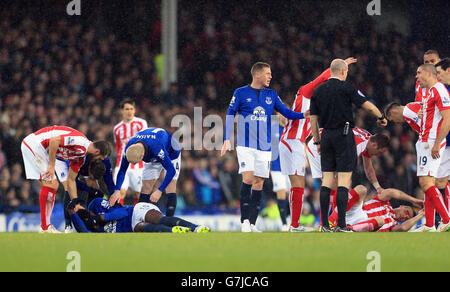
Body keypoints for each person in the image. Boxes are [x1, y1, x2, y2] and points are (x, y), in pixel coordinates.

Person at [220, 62, 309, 233]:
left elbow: (286, 112)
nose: (270, 76)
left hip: (264, 146)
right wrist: (226, 138)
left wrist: (302, 115)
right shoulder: (240, 92)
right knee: (248, 178)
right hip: (245, 144)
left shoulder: (272, 95)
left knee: (259, 182)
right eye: (268, 73)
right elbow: (231, 114)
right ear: (258, 75)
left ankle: (253, 224)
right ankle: (244, 221)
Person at [309, 59, 388, 232]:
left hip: (326, 135)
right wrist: (381, 117)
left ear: (331, 71)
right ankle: (341, 225)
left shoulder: (319, 90)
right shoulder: (347, 87)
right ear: (344, 71)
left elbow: (313, 119)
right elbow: (366, 105)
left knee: (327, 181)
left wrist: (317, 141)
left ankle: (324, 225)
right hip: (344, 135)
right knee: (344, 181)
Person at [279, 57, 357, 232]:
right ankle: (294, 225)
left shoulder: (314, 100)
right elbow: (321, 78)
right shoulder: (305, 92)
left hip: (293, 143)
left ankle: (295, 225)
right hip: (292, 142)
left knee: (298, 185)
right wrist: (340, 66)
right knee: (298, 185)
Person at [20, 126, 111, 233]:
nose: (98, 161)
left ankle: (45, 226)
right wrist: (51, 166)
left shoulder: (81, 158)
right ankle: (45, 227)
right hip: (36, 144)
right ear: (97, 151)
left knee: (53, 185)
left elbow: (71, 181)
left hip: (41, 149)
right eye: (99, 158)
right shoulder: (81, 142)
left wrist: (76, 202)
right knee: (51, 184)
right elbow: (54, 140)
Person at [109, 127, 181, 218]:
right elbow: (122, 169)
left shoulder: (156, 148)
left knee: (170, 185)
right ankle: (139, 219)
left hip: (171, 152)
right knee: (146, 187)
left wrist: (159, 190)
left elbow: (171, 171)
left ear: (142, 155)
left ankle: (170, 220)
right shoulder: (129, 147)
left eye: (135, 162)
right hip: (152, 155)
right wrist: (117, 190)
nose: (134, 165)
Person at [413, 64, 450, 232]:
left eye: (419, 73)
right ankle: (429, 225)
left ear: (429, 73)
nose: (417, 76)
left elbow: (448, 118)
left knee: (426, 182)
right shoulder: (430, 93)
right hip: (425, 142)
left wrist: (437, 143)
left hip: (431, 142)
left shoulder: (439, 90)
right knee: (428, 182)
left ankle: (446, 219)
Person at [68, 198, 210, 233]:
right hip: (132, 226)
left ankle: (195, 227)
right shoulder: (90, 228)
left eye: (77, 206)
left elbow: (122, 212)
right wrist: (73, 215)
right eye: (74, 210)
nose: (78, 209)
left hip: (135, 211)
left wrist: (100, 218)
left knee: (159, 219)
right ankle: (175, 231)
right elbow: (83, 231)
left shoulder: (96, 204)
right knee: (143, 227)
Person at [328, 185, 424, 232]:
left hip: (362, 226)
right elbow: (390, 192)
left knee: (380, 221)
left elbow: (403, 227)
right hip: (356, 211)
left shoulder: (392, 225)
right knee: (362, 189)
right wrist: (413, 200)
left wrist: (421, 215)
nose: (405, 216)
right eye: (406, 212)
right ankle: (332, 220)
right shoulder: (384, 202)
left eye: (407, 218)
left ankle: (345, 230)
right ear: (401, 206)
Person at [63, 155, 115, 233]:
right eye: (91, 177)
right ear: (89, 170)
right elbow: (72, 181)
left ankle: (90, 221)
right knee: (68, 189)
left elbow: (110, 182)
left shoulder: (105, 163)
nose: (92, 179)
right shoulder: (81, 160)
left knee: (96, 191)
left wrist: (113, 196)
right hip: (65, 164)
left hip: (83, 177)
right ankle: (68, 225)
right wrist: (86, 189)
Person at [113, 99, 148, 206]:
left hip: (138, 165)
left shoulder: (141, 123)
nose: (129, 111)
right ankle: (120, 218)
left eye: (131, 109)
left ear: (135, 110)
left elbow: (145, 142)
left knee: (138, 194)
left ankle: (136, 218)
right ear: (122, 111)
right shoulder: (117, 128)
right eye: (127, 109)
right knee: (120, 192)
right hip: (122, 164)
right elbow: (118, 148)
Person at [434, 58, 450, 214]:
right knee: (440, 181)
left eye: (439, 73)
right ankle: (443, 220)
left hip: (445, 142)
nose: (437, 76)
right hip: (447, 143)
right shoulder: (442, 90)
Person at [270, 114, 290, 231]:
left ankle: (291, 220)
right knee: (281, 193)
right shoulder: (273, 129)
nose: (283, 116)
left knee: (291, 194)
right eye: (280, 114)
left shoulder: (289, 129)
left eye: (284, 114)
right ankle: (284, 224)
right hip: (277, 167)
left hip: (290, 167)